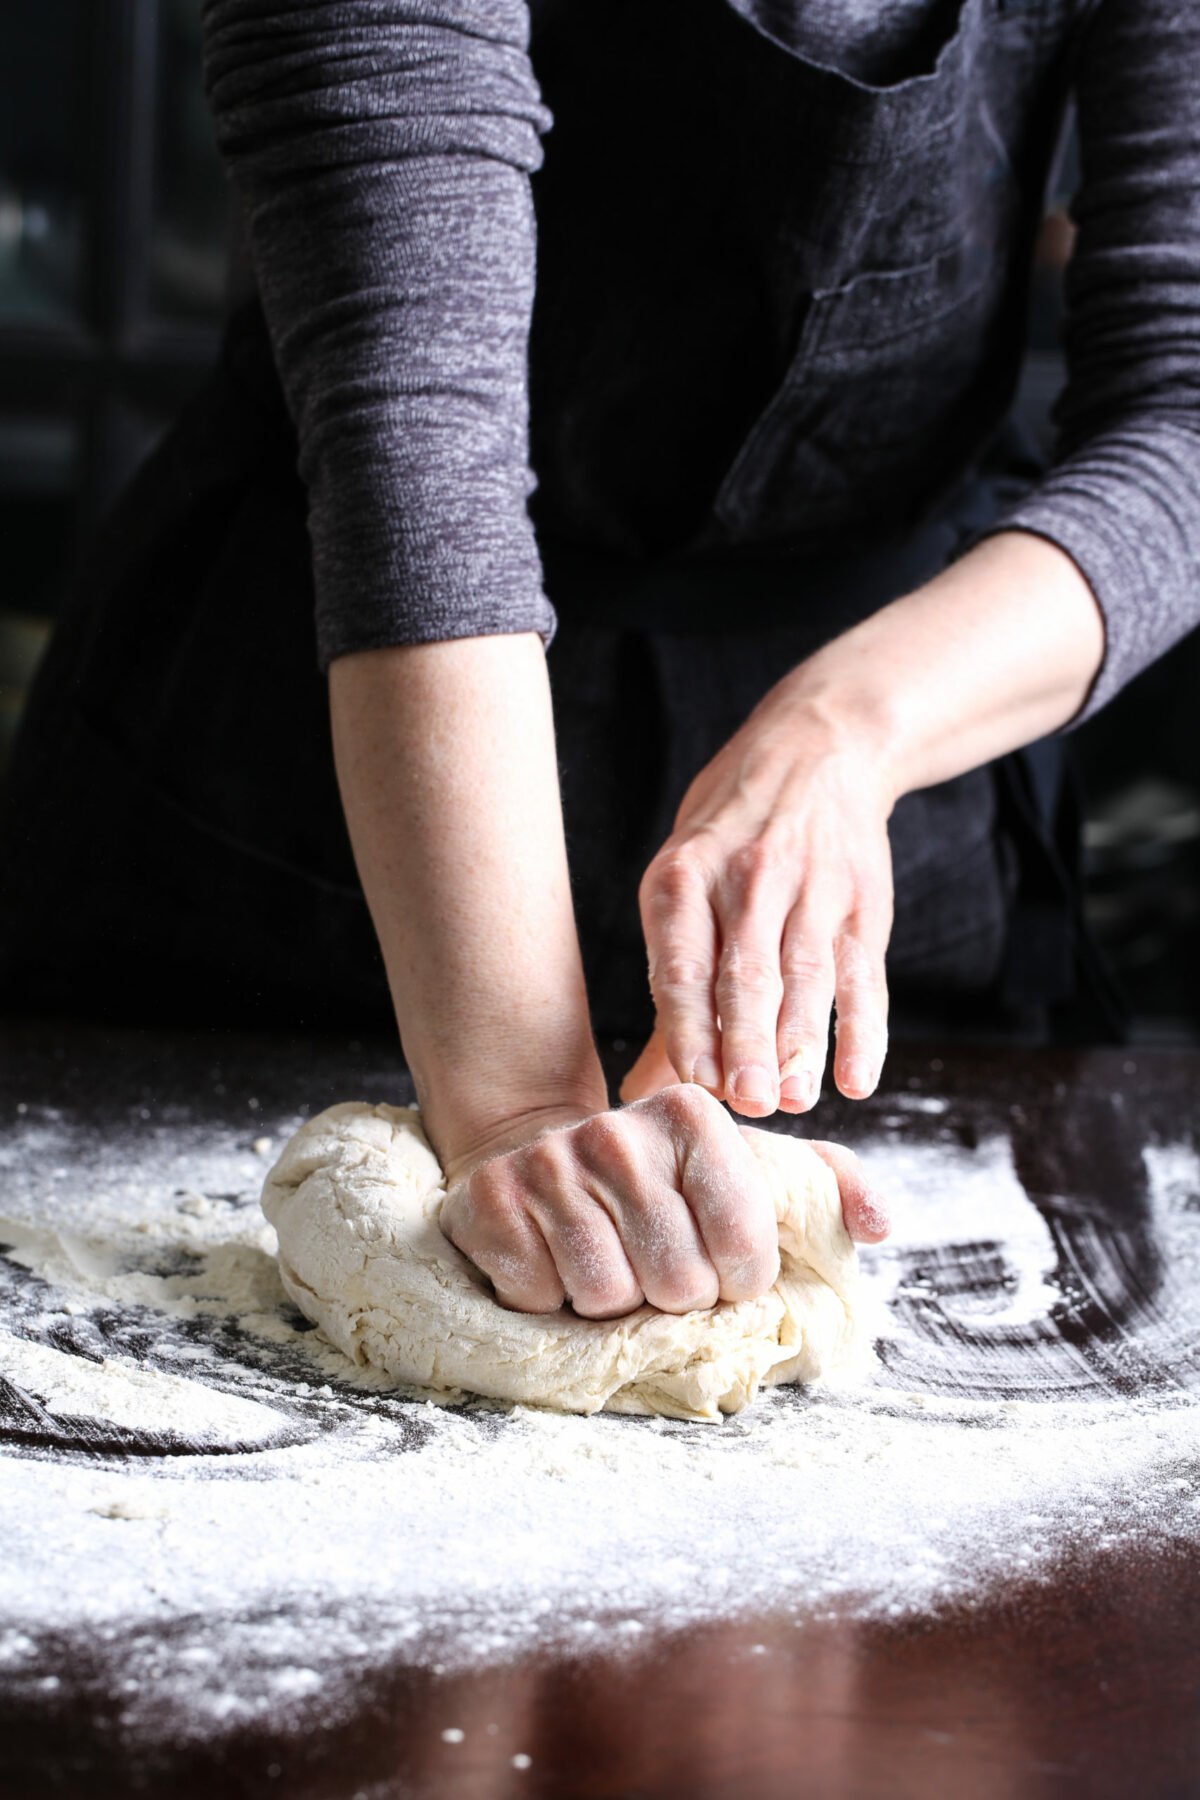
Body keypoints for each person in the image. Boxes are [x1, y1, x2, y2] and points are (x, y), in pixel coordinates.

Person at [2, 1, 1197, 1322]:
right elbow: (420, 442)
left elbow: (1186, 413)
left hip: (902, 756)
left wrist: (847, 731)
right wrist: (515, 1109)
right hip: (309, 785)